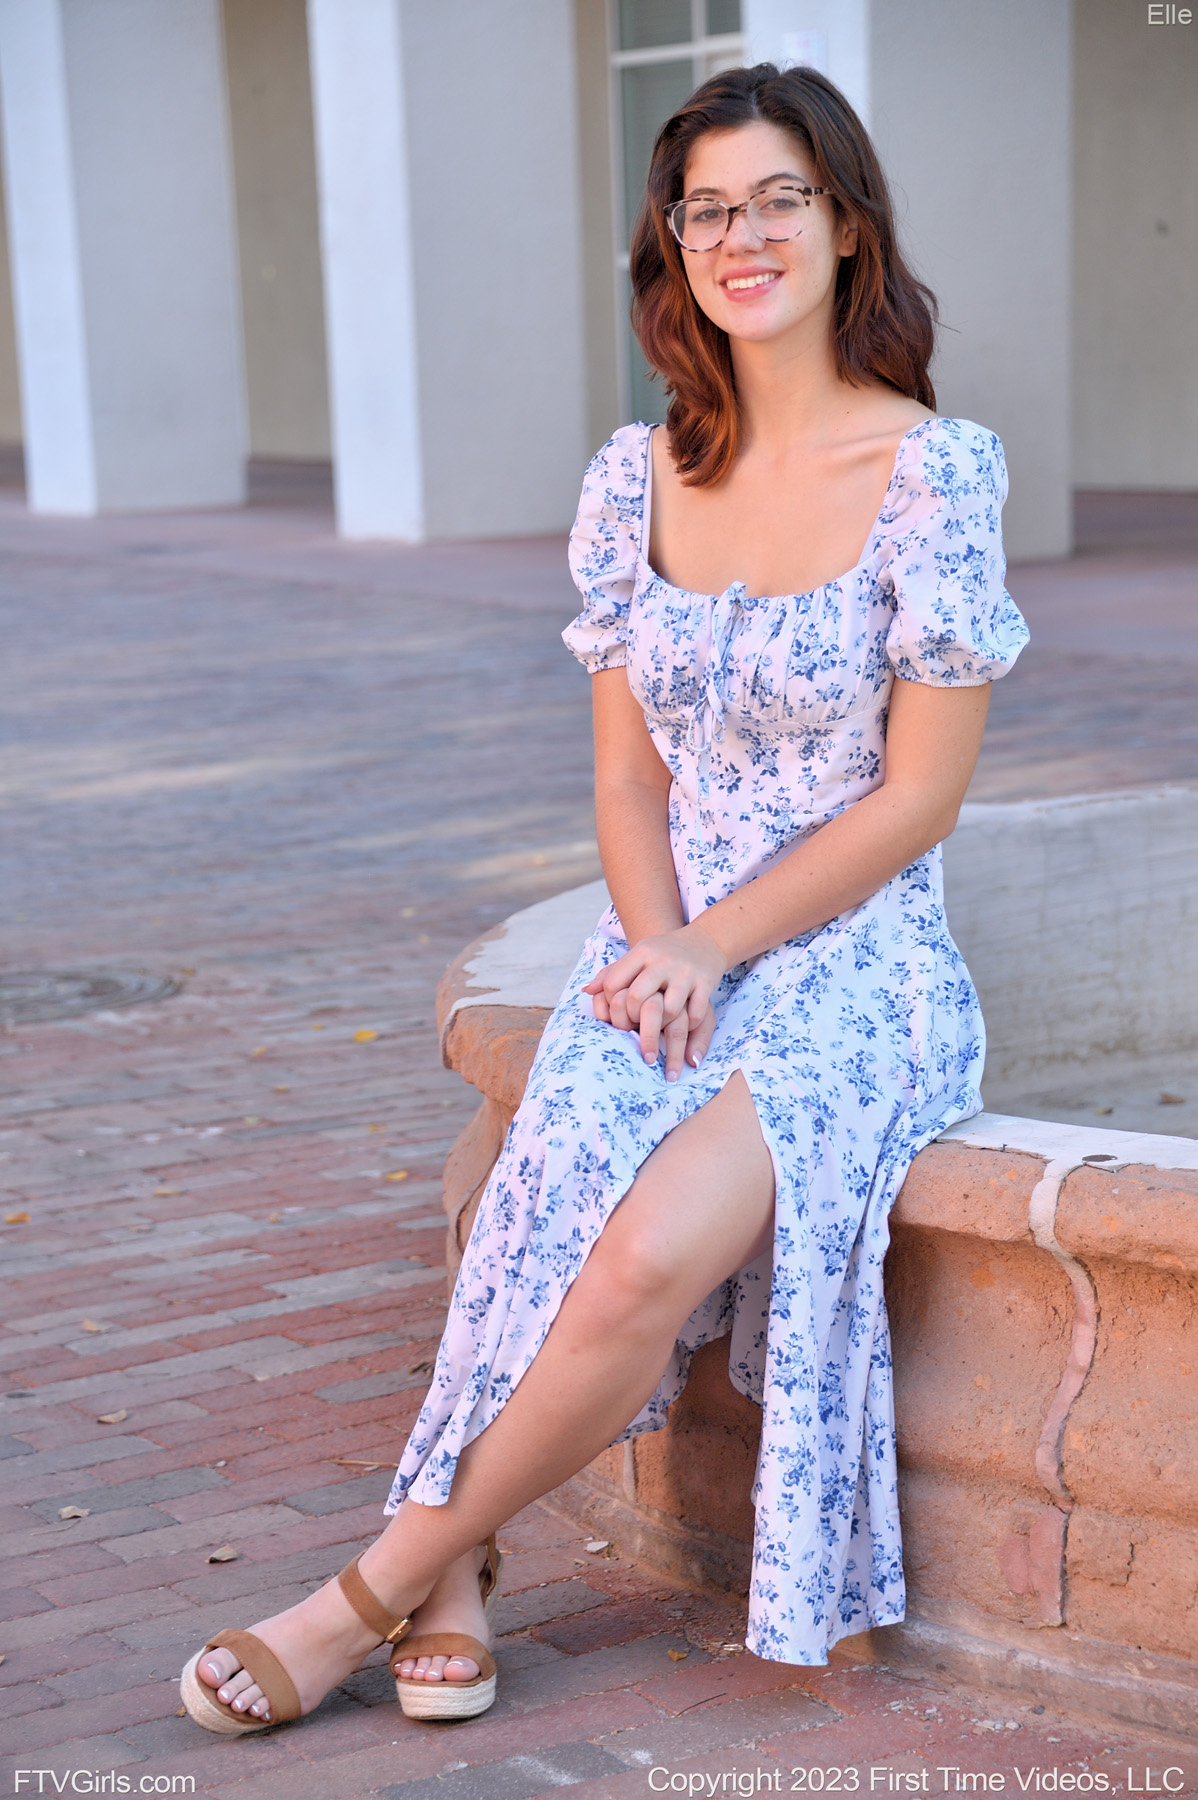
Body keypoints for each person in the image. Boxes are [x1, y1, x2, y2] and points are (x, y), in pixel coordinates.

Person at [180, 62, 1028, 1735]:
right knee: (532, 1212)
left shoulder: (936, 472)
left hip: (856, 966)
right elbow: (629, 782)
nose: (742, 237)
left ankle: (364, 1597)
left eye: (778, 199)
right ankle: (457, 1568)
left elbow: (919, 798)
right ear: (672, 248)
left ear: (846, 228)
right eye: (706, 210)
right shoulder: (637, 477)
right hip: (663, 938)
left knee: (638, 1258)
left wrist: (712, 945)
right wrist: (654, 950)